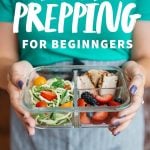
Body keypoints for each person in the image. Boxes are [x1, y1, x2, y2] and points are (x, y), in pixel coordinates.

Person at [0, 0, 150, 150]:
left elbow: (146, 56)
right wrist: (13, 76)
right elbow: (3, 59)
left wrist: (139, 74)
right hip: (36, 122)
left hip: (115, 123)